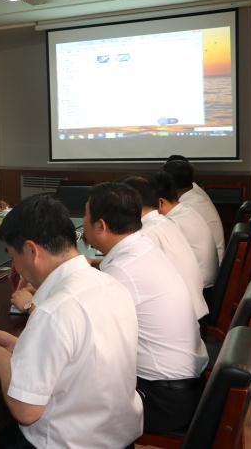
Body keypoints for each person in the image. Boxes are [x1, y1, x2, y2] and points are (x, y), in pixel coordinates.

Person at [0, 195, 142, 448]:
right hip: (118, 438)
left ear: (31, 251)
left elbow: (26, 411)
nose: (15, 266)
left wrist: (3, 363)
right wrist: (21, 347)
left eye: (13, 256)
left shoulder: (53, 311)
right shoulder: (111, 285)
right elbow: (81, 357)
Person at [84, 182, 208, 434]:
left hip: (162, 400)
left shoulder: (123, 270)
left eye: (85, 217)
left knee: (70, 393)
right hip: (184, 385)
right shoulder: (142, 247)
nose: (83, 223)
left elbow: (87, 334)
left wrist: (33, 306)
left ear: (101, 226)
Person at [123, 176, 209, 321]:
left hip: (182, 318)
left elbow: (126, 273)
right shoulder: (164, 222)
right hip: (194, 309)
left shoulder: (146, 234)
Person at [150, 171, 219, 288]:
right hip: (209, 281)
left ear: (161, 202)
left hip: (202, 287)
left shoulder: (173, 222)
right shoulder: (187, 210)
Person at [164, 157, 225, 262]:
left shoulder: (187, 208)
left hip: (207, 266)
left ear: (169, 185)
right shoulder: (194, 196)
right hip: (210, 261)